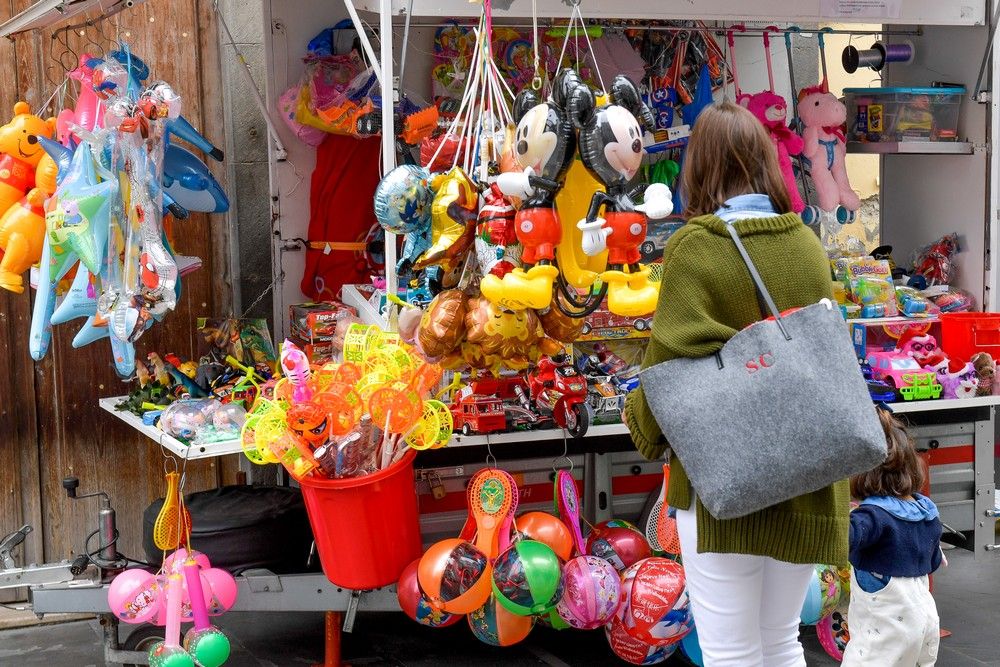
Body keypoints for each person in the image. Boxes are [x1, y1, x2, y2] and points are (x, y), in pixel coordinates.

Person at [624, 101, 849, 667]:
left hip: (726, 475)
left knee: (729, 650)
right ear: (768, 162)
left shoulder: (697, 246)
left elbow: (669, 359)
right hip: (808, 472)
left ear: (699, 166)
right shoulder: (804, 242)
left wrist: (643, 429)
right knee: (780, 641)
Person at [841, 408, 942, 666]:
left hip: (885, 626)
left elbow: (843, 538)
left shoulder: (871, 517)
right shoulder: (925, 511)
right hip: (923, 619)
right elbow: (933, 560)